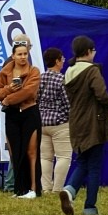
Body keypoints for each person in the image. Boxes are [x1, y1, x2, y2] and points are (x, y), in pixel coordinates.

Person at [60, 35, 108, 215]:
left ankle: (69, 191)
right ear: (88, 52)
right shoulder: (92, 71)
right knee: (94, 166)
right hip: (93, 122)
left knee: (83, 161)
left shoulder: (69, 71)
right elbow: (101, 94)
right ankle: (90, 207)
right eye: (93, 51)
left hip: (76, 121)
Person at [0, 40, 42, 198]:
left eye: (25, 54)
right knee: (15, 152)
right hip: (12, 115)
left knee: (31, 151)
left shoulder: (34, 71)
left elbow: (28, 92)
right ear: (13, 56)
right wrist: (8, 89)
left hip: (29, 112)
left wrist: (7, 99)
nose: (22, 57)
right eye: (19, 54)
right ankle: (18, 189)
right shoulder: (5, 72)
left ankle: (33, 189)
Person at [38, 47, 73, 194]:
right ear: (57, 61)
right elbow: (68, 103)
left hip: (42, 123)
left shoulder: (39, 77)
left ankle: (46, 188)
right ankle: (57, 189)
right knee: (63, 157)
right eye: (62, 59)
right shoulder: (62, 79)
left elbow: (36, 99)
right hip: (60, 123)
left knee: (45, 158)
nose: (63, 61)